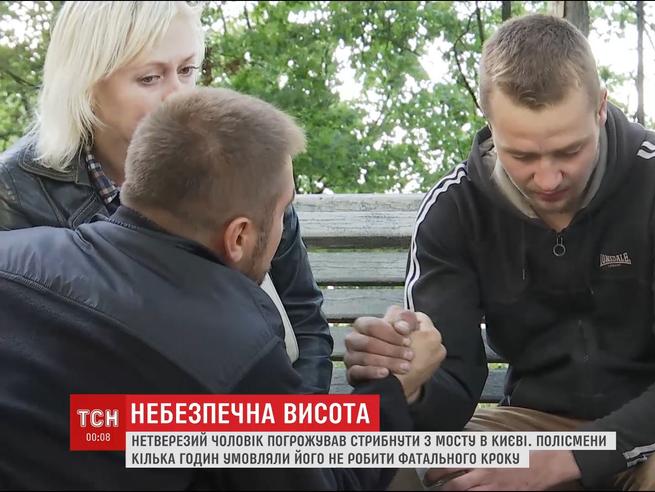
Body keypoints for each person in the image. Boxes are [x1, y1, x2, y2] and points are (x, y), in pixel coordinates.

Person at [344, 13, 655, 490]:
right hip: (529, 423)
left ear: (600, 108)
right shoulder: (454, 210)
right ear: (489, 121)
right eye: (523, 156)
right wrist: (410, 384)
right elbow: (450, 389)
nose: (549, 178)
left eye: (569, 151)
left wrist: (570, 457)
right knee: (403, 464)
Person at [0, 86, 447, 490]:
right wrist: (396, 388)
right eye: (283, 212)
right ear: (239, 237)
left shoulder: (12, 256)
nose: (283, 230)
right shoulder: (233, 353)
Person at [0, 1, 333, 393]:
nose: (178, 97)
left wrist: (296, 420)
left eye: (187, 70)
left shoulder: (242, 157)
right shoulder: (15, 192)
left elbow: (305, 322)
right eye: (150, 78)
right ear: (86, 84)